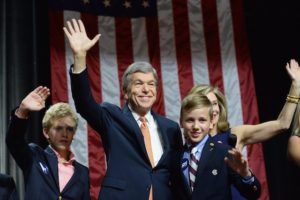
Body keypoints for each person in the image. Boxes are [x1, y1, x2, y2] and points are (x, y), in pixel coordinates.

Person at [63, 19, 183, 200]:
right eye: (139, 84)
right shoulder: (112, 117)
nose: (146, 89)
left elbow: (176, 174)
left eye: (151, 84)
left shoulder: (171, 128)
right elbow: (84, 103)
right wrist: (80, 56)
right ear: (126, 93)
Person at [188, 59, 300, 151]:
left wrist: (296, 85)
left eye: (214, 104)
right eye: (206, 105)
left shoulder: (235, 134)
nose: (212, 110)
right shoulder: (186, 149)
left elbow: (282, 124)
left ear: (220, 107)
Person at [6, 86, 90, 200]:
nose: (64, 133)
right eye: (58, 128)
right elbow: (14, 140)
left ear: (74, 134)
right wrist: (22, 111)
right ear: (46, 132)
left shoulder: (83, 173)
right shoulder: (35, 156)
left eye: (69, 129)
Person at [171, 94, 261, 200]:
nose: (195, 126)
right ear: (181, 122)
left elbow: (253, 194)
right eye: (190, 120)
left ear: (211, 122)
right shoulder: (174, 157)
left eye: (202, 120)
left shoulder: (224, 153)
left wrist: (246, 175)